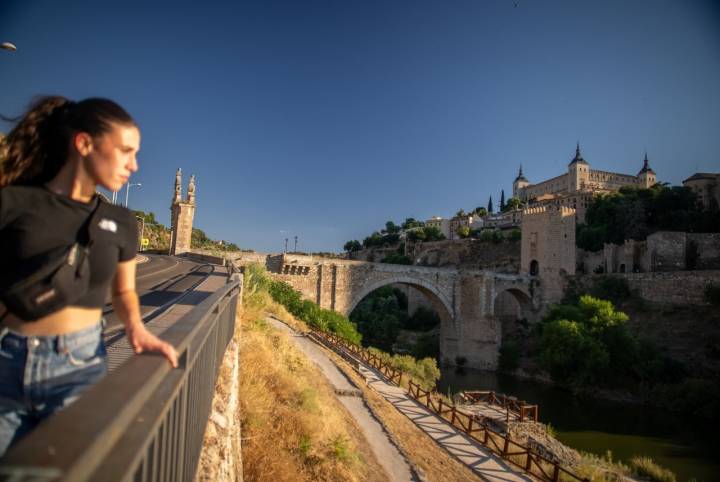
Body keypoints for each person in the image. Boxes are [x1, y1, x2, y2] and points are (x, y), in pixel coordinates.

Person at [0, 96, 178, 456]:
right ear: (83, 143)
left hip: (77, 365)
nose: (134, 165)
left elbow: (124, 292)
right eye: (126, 151)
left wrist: (137, 330)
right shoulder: (14, 203)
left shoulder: (123, 225)